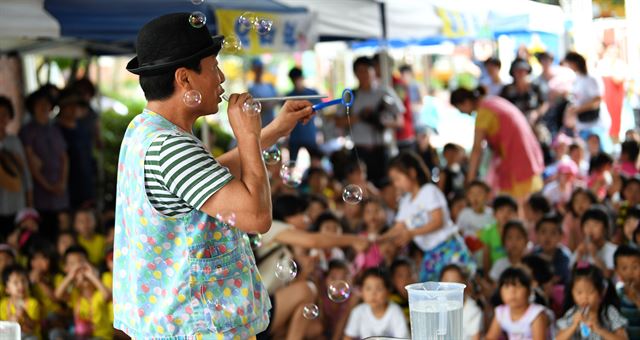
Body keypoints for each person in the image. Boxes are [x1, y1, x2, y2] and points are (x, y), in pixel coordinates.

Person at [114, 13, 314, 339]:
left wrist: (274, 131)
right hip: (197, 328)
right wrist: (247, 136)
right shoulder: (170, 147)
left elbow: (208, 178)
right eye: (212, 67)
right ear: (185, 79)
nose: (221, 78)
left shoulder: (146, 129)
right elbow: (257, 217)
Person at [256, 194, 368, 340]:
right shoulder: (271, 227)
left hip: (266, 307)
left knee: (315, 328)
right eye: (301, 213)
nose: (306, 218)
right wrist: (354, 240)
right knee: (307, 289)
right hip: (255, 307)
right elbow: (313, 240)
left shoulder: (289, 249)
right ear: (287, 217)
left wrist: (306, 271)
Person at [379, 151, 474, 282]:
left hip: (448, 246)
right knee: (428, 292)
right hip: (431, 253)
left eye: (398, 178)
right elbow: (397, 228)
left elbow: (438, 221)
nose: (396, 184)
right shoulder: (405, 202)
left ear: (412, 173)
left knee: (458, 284)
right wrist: (377, 239)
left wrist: (411, 233)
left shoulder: (428, 191)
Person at [450, 86, 544, 207]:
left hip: (517, 160)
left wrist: (470, 182)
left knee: (518, 207)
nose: (463, 113)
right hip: (526, 154)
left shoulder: (484, 111)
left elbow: (477, 150)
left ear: (466, 102)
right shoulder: (493, 101)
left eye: (460, 109)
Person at [334, 56, 404, 187]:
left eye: (367, 70)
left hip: (382, 149)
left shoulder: (384, 92)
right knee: (361, 187)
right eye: (360, 71)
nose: (364, 74)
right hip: (359, 150)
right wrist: (360, 117)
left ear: (374, 71)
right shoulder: (350, 95)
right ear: (355, 74)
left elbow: (400, 121)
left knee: (386, 185)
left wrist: (381, 120)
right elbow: (338, 121)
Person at [19, 88, 69, 240]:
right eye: (39, 104)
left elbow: (64, 158)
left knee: (61, 230)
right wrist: (48, 186)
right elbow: (30, 163)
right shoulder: (27, 131)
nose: (43, 107)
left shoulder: (55, 129)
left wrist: (62, 183)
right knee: (42, 233)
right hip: (39, 192)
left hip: (60, 191)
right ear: (32, 107)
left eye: (47, 104)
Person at [556, 264, 628, 340]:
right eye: (579, 292)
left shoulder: (609, 312)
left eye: (590, 292)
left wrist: (599, 329)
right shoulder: (572, 314)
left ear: (601, 292)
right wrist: (573, 326)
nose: (584, 297)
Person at [54, 246, 111, 339]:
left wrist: (91, 275)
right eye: (73, 264)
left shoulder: (98, 294)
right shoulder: (75, 295)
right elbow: (58, 295)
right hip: (80, 337)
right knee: (56, 333)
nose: (78, 267)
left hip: (101, 337)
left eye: (81, 262)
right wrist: (71, 276)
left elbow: (108, 296)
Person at [343, 267, 409, 339]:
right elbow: (347, 338)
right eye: (368, 288)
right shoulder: (358, 312)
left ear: (388, 291)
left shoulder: (395, 311)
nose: (373, 294)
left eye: (379, 288)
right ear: (362, 291)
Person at [486, 267, 550, 340]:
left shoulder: (536, 314)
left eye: (518, 286)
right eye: (507, 287)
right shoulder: (501, 312)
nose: (512, 292)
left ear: (529, 291)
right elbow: (490, 338)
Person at [563, 51, 612, 145]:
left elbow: (596, 101)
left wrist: (578, 110)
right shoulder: (578, 78)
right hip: (582, 124)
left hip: (596, 123)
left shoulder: (591, 78)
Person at [0, 96, 32, 238]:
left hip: (14, 202)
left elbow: (25, 173)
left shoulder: (14, 141)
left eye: (4, 115)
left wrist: (29, 204)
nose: (1, 118)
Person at [286, 66, 321, 161]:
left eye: (297, 79)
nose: (296, 82)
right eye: (294, 80)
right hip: (295, 136)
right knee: (292, 163)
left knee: (315, 162)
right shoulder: (289, 96)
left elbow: (319, 111)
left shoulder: (313, 93)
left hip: (309, 135)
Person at [572, 205, 617, 278]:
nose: (590, 229)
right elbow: (573, 275)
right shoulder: (581, 250)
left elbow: (608, 275)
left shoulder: (613, 250)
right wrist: (579, 255)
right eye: (587, 225)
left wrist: (595, 256)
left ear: (605, 228)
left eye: (595, 224)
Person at [440, 264, 483, 340]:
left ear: (464, 285)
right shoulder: (435, 308)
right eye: (447, 284)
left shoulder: (473, 311)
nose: (450, 289)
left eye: (455, 284)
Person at [499, 58, 547, 125]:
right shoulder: (507, 89)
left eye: (523, 71)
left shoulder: (535, 87)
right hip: (513, 123)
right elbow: (501, 105)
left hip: (533, 123)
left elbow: (544, 104)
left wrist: (536, 113)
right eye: (518, 71)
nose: (521, 74)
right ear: (513, 72)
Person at [0, 264, 41, 339]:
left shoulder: (33, 303)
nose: (21, 285)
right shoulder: (4, 304)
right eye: (16, 283)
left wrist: (25, 316)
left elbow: (33, 327)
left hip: (29, 336)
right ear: (7, 289)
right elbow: (3, 327)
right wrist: (11, 321)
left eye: (23, 281)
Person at [534, 214, 572, 285]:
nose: (547, 236)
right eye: (543, 232)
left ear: (560, 236)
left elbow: (561, 277)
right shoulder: (534, 254)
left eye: (553, 233)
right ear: (537, 235)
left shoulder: (565, 256)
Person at [614, 245, 640, 339]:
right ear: (617, 271)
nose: (630, 272)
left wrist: (636, 300)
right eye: (624, 268)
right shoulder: (616, 294)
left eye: (635, 267)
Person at [248, 58, 278, 127]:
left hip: (271, 123)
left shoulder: (269, 85)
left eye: (260, 68)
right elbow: (253, 106)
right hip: (260, 124)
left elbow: (277, 100)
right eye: (257, 68)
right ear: (253, 70)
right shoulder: (252, 88)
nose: (259, 70)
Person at [389, 257, 416, 324]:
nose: (406, 280)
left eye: (409, 275)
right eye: (400, 276)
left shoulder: (416, 301)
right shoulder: (390, 302)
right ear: (392, 280)